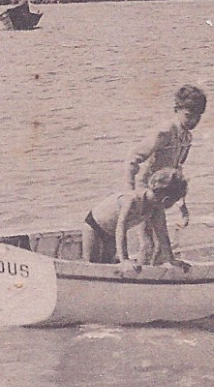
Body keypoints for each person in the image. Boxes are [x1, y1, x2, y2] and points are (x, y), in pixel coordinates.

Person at [127, 84, 206, 224]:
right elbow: (132, 159)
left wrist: (183, 209)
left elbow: (176, 176)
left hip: (160, 195)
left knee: (161, 239)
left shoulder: (187, 138)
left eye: (197, 117)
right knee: (147, 238)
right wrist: (131, 193)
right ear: (176, 109)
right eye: (188, 116)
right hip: (144, 193)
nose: (193, 121)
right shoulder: (165, 132)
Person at [83, 168, 191, 269]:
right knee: (93, 265)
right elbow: (121, 229)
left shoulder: (156, 208)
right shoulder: (131, 201)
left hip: (110, 233)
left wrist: (170, 259)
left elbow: (162, 234)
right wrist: (125, 260)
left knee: (107, 265)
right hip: (94, 225)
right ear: (165, 199)